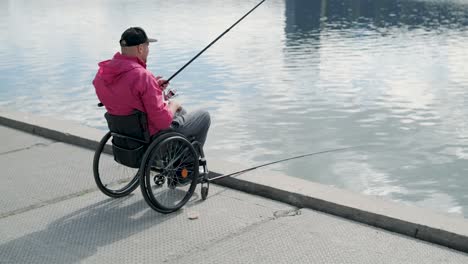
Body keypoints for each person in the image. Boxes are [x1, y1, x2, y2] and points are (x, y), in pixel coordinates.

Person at [92, 27, 210, 147]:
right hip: (151, 138)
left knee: (183, 114)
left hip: (126, 138)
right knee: (203, 116)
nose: (148, 50)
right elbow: (163, 122)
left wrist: (154, 88)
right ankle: (188, 163)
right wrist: (173, 105)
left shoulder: (101, 76)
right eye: (147, 46)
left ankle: (180, 158)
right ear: (140, 48)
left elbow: (124, 100)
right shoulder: (142, 76)